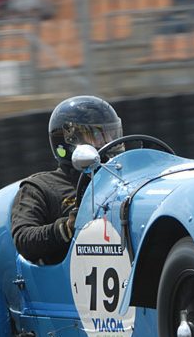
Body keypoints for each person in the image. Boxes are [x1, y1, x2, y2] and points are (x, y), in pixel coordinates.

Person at [11, 96, 123, 265]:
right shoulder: (39, 188)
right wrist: (66, 227)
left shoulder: (119, 178)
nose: (108, 143)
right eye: (98, 136)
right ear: (70, 141)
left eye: (111, 135)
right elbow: (24, 239)